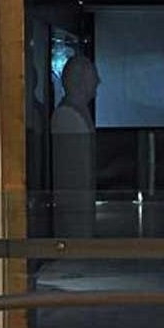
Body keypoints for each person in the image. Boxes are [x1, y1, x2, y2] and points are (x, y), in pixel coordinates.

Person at [51, 55, 100, 237]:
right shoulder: (66, 116)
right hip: (74, 204)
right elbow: (72, 171)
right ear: (80, 81)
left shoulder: (77, 112)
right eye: (94, 77)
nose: (98, 82)